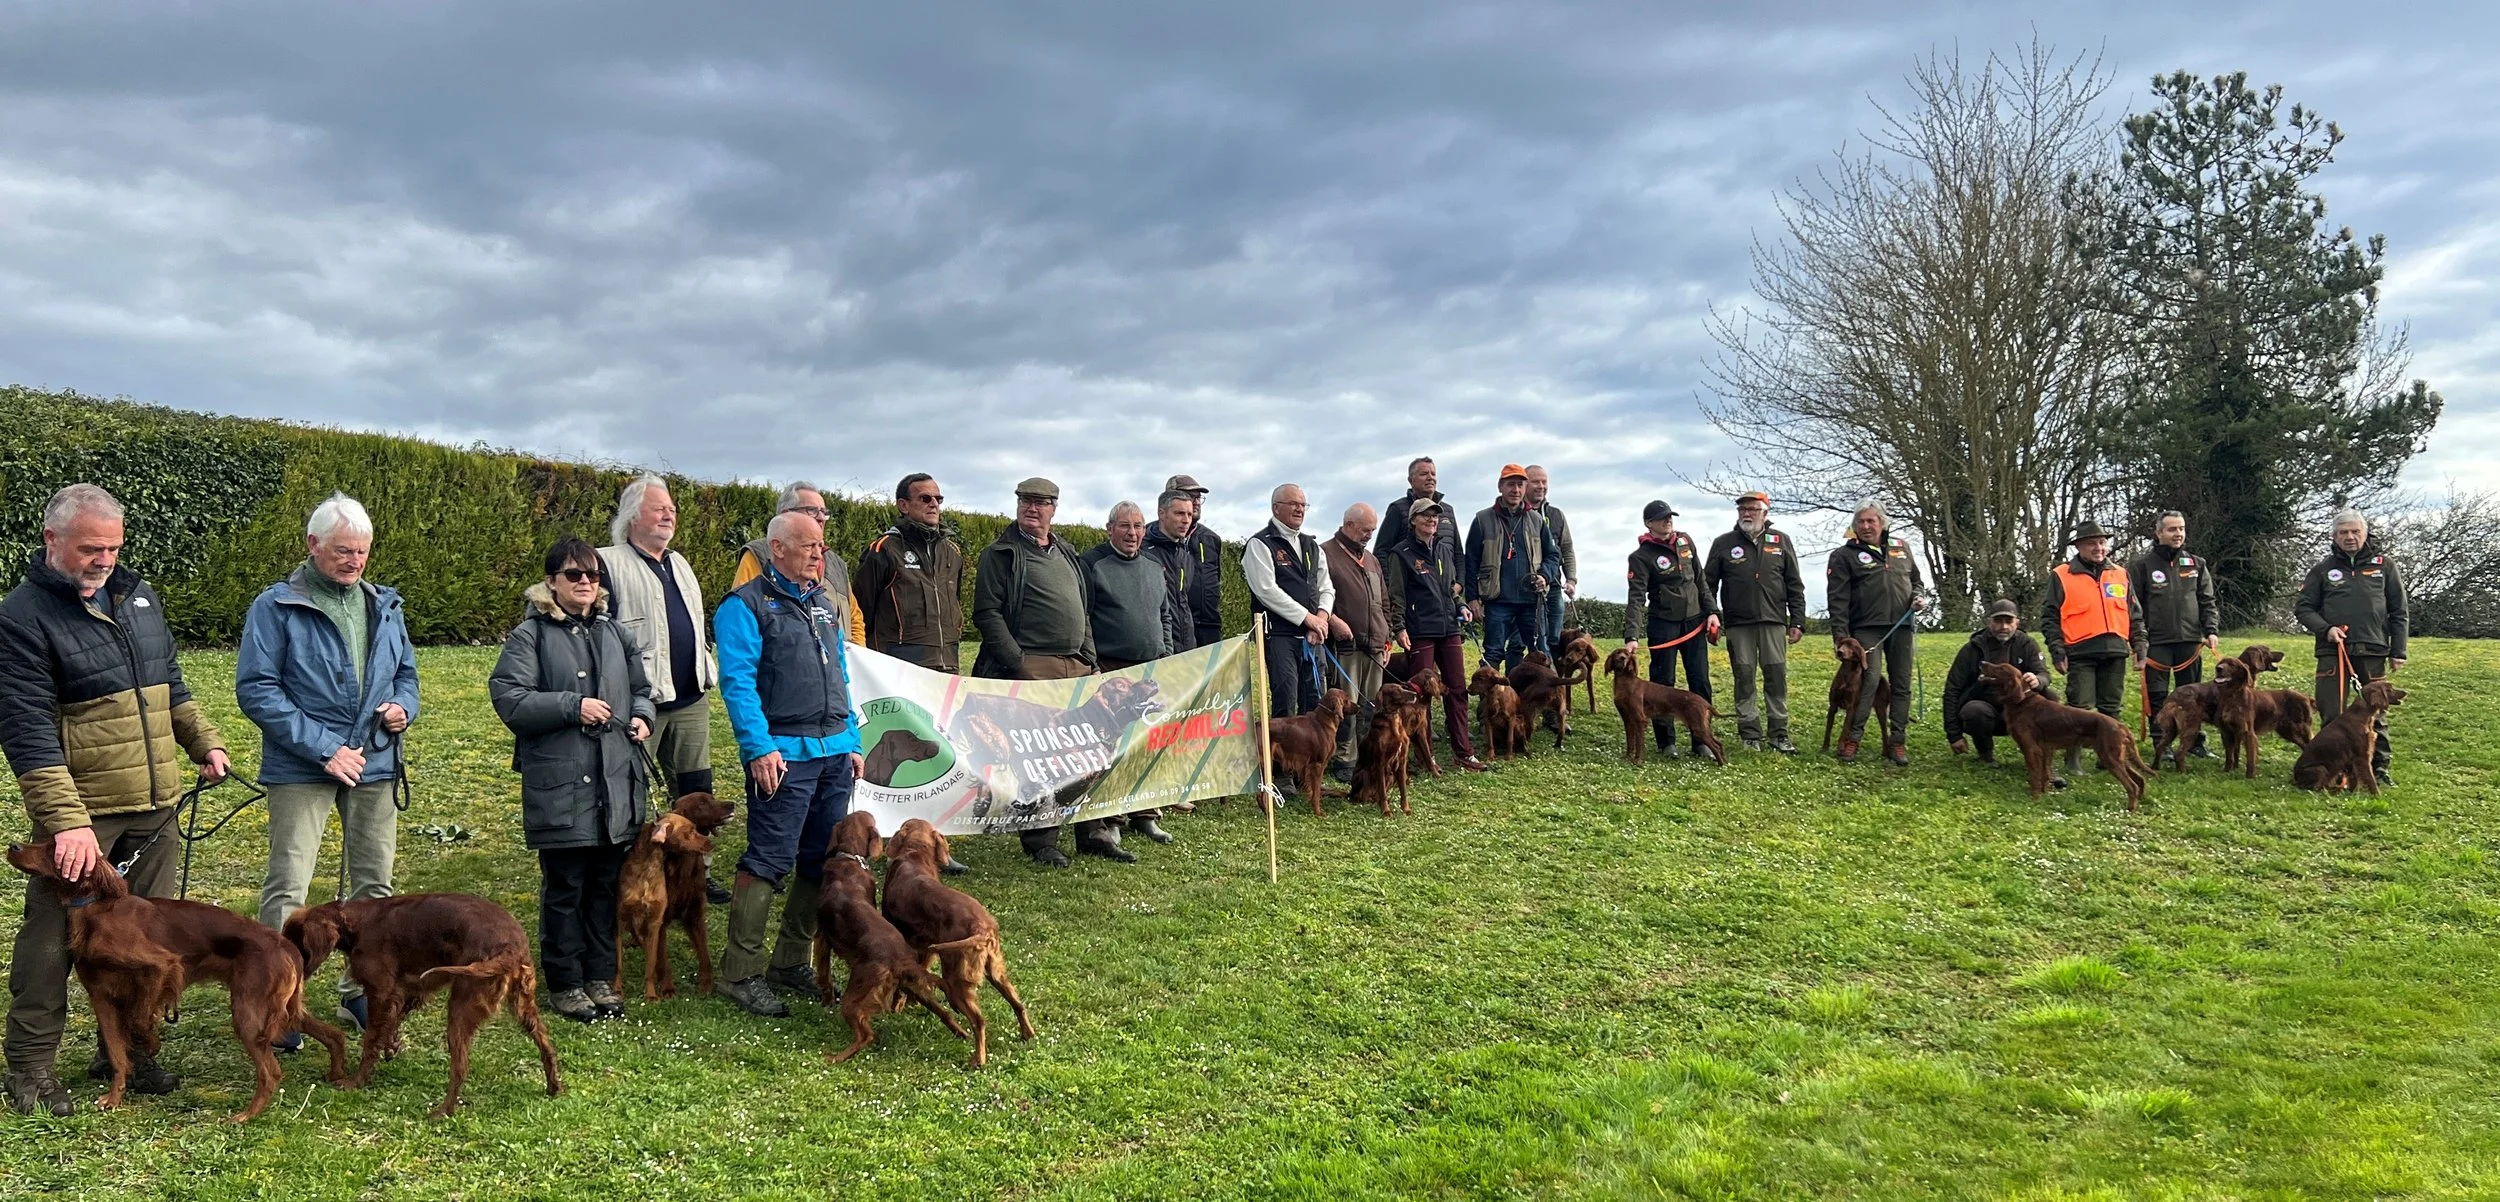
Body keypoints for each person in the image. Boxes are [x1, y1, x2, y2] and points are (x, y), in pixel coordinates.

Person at [1, 484, 231, 1116]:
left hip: (156, 805)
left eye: (112, 547)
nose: (103, 559)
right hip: (86, 816)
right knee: (52, 941)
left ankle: (128, 1050)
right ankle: (30, 1065)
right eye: (90, 549)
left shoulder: (137, 597)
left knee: (140, 942)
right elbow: (25, 727)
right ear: (52, 541)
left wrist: (203, 743)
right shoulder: (21, 617)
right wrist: (68, 824)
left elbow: (171, 686)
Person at [236, 492, 420, 1044]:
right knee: (290, 886)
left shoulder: (385, 604)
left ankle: (364, 994)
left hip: (376, 762)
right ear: (313, 545)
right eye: (343, 550)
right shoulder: (275, 606)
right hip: (302, 766)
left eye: (362, 551)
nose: (355, 561)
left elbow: (407, 673)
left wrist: (402, 708)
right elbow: (257, 690)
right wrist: (323, 748)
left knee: (374, 889)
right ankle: (279, 1005)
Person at [488, 536, 656, 1024]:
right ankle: (565, 982)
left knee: (605, 885)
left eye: (593, 575)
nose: (585, 583)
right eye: (574, 575)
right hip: (561, 788)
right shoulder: (530, 637)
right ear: (552, 582)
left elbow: (641, 689)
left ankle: (600, 976)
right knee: (565, 889)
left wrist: (641, 716)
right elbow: (509, 699)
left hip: (614, 783)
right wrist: (570, 705)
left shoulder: (615, 633)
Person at [712, 510, 863, 1013]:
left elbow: (839, 671)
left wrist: (853, 739)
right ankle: (739, 971)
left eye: (821, 547)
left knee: (820, 858)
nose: (819, 555)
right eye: (809, 546)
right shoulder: (744, 607)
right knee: (768, 859)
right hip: (783, 755)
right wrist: (758, 748)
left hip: (834, 752)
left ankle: (789, 959)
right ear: (777, 548)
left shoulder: (822, 604)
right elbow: (737, 683)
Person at [972, 478, 1104, 867]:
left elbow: (1084, 607)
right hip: (1032, 666)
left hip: (1075, 663)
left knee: (1085, 750)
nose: (1033, 508)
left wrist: (1089, 655)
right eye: (1026, 501)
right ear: (1017, 505)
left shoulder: (1066, 552)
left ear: (1054, 509)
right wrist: (1016, 661)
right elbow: (987, 612)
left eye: (1041, 503)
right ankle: (1041, 839)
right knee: (1042, 756)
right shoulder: (1000, 554)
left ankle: (1092, 832)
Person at [598, 475, 716, 798]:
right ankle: (636, 851)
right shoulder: (606, 563)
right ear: (633, 516)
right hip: (639, 705)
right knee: (629, 790)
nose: (669, 516)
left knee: (696, 794)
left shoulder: (679, 562)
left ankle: (694, 851)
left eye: (672, 509)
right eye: (659, 509)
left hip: (691, 701)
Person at [1079, 501, 1187, 850]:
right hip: (1111, 671)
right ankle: (1107, 821)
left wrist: (1166, 656)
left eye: (1139, 526)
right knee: (1109, 751)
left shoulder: (1154, 566)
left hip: (1150, 669)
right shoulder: (1092, 564)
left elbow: (1165, 615)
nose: (1132, 533)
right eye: (1124, 525)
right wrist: (1093, 663)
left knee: (1147, 745)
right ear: (1110, 528)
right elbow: (1084, 617)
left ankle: (1146, 815)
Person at [2295, 510, 2408, 786]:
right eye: (2343, 532)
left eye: (2355, 531)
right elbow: (2304, 608)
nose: (2350, 537)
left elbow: (2399, 611)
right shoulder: (2322, 569)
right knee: (2333, 714)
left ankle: (2379, 769)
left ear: (2365, 533)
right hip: (2333, 652)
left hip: (2373, 651)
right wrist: (2326, 629)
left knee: (2377, 713)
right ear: (2334, 536)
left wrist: (2399, 650)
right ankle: (2339, 772)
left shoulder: (2385, 566)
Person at [1380, 499, 1489, 773]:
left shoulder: (1443, 549)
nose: (1431, 520)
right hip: (1419, 631)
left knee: (1456, 689)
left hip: (1449, 628)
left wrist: (1462, 605)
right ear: (1413, 520)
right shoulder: (1400, 553)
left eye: (1435, 516)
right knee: (1419, 696)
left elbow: (1450, 590)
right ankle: (1424, 757)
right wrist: (1399, 628)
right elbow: (1396, 595)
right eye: (1425, 515)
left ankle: (1464, 752)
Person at [2040, 520, 2146, 777]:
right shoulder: (2061, 575)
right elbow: (2050, 617)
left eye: (2102, 542)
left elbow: (2134, 614)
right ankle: (2072, 759)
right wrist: (2057, 650)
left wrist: (2140, 645)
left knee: (2112, 708)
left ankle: (2109, 756)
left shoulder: (2120, 574)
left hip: (2115, 650)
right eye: (2091, 543)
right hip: (2079, 651)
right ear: (2079, 546)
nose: (2098, 548)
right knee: (2079, 709)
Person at [1703, 491, 1806, 753]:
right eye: (1742, 510)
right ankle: (1750, 735)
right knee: (1744, 677)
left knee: (1776, 677)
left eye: (1752, 509)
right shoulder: (1723, 543)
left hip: (1774, 621)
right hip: (1739, 624)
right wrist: (1711, 613)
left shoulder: (1781, 540)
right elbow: (1707, 585)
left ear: (1765, 513)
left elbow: (1794, 583)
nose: (1747, 514)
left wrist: (1798, 620)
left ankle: (1779, 734)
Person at [1826, 503, 1927, 766]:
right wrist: (1841, 637)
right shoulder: (1843, 555)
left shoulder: (1901, 547)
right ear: (1854, 525)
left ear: (1882, 522)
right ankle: (1852, 739)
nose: (1866, 526)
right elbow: (1837, 599)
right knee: (1868, 682)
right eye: (1861, 522)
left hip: (1901, 627)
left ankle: (1897, 742)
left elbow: (1916, 580)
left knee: (1901, 685)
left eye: (1871, 521)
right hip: (1866, 630)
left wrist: (1918, 596)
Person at [1622, 501, 1719, 758]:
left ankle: (1701, 741)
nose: (1668, 522)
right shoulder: (1641, 557)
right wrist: (1632, 636)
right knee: (1662, 682)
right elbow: (1636, 598)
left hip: (1694, 622)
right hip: (1663, 624)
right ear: (1648, 523)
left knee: (1699, 679)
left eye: (1670, 517)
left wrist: (1712, 612)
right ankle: (1667, 742)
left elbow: (1701, 580)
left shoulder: (1685, 542)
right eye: (1662, 518)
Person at [1942, 600, 2063, 786]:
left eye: (2008, 621)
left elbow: (2044, 673)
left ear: (2017, 622)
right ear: (1989, 622)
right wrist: (1954, 735)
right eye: (1998, 621)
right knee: (1974, 711)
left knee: (2052, 699)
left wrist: (2038, 680)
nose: (2003, 626)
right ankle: (1986, 755)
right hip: (1989, 711)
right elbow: (1952, 689)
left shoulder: (2028, 644)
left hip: (2022, 713)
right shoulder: (1972, 648)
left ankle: (2045, 762)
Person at [854, 473, 966, 673]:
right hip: (900, 669)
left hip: (948, 664)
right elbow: (862, 611)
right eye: (925, 498)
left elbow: (956, 604)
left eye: (938, 499)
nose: (934, 504)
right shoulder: (884, 549)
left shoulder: (952, 552)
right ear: (903, 505)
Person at [732, 481, 868, 646]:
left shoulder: (837, 563)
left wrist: (856, 658)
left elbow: (854, 618)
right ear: (785, 514)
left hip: (836, 666)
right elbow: (742, 618)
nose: (820, 517)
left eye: (824, 512)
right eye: (811, 510)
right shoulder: (759, 553)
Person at [2129, 510, 2221, 753]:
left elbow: (2207, 601)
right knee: (2158, 696)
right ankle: (2162, 743)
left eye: (2181, 529)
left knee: (2192, 697)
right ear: (2159, 533)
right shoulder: (2141, 566)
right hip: (2156, 642)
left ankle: (2194, 743)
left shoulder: (2196, 564)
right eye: (2172, 529)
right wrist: (2138, 641)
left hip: (2190, 641)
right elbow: (2133, 606)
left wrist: (2211, 630)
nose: (2177, 534)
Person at [1243, 484, 1335, 720]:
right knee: (1285, 703)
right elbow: (1266, 590)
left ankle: (1312, 758)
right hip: (1280, 638)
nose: (1300, 509)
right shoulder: (1260, 544)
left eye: (1303, 504)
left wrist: (1321, 620)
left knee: (1316, 704)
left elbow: (1326, 587)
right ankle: (1281, 758)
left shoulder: (1312, 546)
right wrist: (1308, 618)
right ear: (1276, 508)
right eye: (1293, 503)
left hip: (1314, 637)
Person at [1464, 465, 1562, 671]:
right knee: (1493, 653)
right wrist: (1472, 598)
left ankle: (1546, 701)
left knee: (1541, 654)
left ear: (1525, 488)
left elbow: (1553, 555)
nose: (1515, 490)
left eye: (1520, 484)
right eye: (1510, 484)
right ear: (1500, 487)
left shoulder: (1536, 519)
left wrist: (1545, 575)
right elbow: (1470, 562)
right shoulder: (1482, 519)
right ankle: (1490, 702)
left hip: (1531, 601)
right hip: (1497, 601)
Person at [1322, 503, 1391, 781]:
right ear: (1348, 525)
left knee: (1372, 706)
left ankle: (1368, 756)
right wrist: (1333, 622)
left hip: (1375, 647)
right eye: (1365, 530)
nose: (1369, 535)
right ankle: (1343, 759)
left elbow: (1384, 601)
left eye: (1372, 531)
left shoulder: (1372, 560)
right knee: (1347, 707)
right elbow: (1319, 596)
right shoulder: (1325, 554)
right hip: (1346, 648)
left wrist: (1387, 639)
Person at [1161, 474, 1229, 648]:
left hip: (1209, 626)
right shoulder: (1148, 538)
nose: (1196, 501)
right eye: (1191, 496)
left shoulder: (1211, 539)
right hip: (1173, 628)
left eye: (1199, 497)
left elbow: (1215, 580)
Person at [1140, 489, 1203, 658]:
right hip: (1155, 648)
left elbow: (1183, 601)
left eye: (1189, 515)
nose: (1186, 520)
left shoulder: (1186, 553)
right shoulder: (1142, 551)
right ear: (1162, 513)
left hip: (1186, 645)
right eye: (1179, 513)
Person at [1523, 466, 1577, 653]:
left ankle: (1553, 678)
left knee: (1554, 637)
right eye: (1535, 481)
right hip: (1528, 587)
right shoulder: (1518, 513)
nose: (1541, 486)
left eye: (1544, 482)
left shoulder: (1556, 515)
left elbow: (1567, 548)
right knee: (1538, 638)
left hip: (1554, 585)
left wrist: (1571, 579)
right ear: (1525, 484)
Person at [1378, 456, 1465, 570]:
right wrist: (1391, 584)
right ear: (1411, 480)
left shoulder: (1448, 510)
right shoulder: (1398, 509)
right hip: (1412, 584)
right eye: (1424, 474)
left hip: (1448, 585)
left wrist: (1460, 583)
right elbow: (1381, 552)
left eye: (1433, 474)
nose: (1430, 478)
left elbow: (1458, 552)